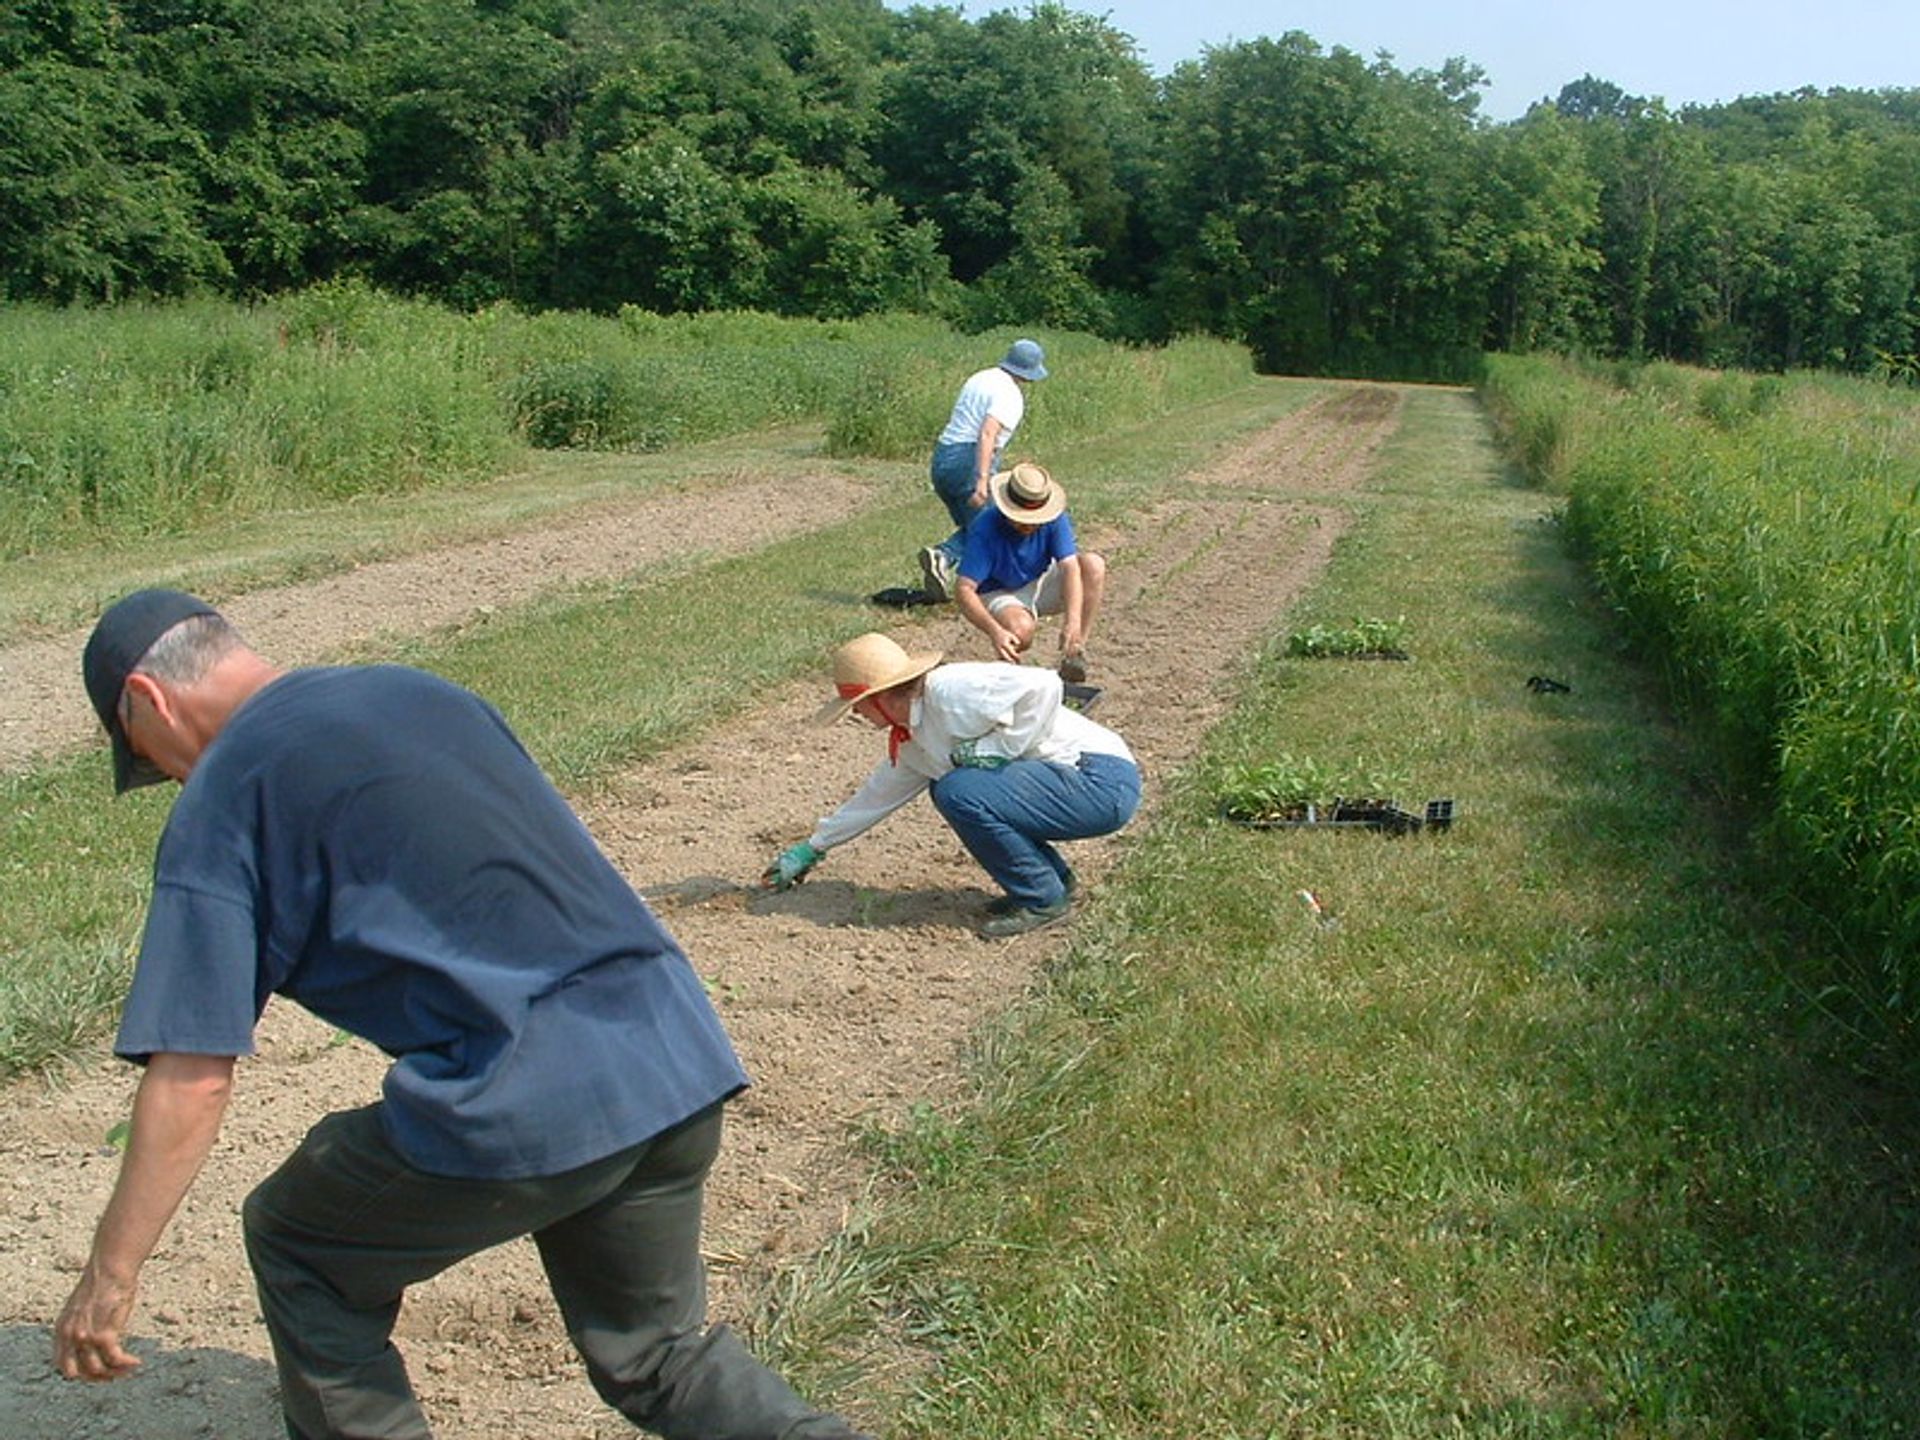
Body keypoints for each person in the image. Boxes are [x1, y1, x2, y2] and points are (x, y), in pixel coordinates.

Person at [56, 588, 873, 1440]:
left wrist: (110, 1274)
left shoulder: (224, 797)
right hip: (673, 1048)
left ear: (148, 701)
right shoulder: (420, 692)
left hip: (526, 1093)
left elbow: (191, 1076)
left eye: (148, 757)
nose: (171, 778)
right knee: (659, 1355)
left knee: (300, 1242)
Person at [761, 632, 1140, 939]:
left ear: (878, 698)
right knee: (960, 789)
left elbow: (1044, 685)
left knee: (958, 791)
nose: (856, 715)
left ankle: (1043, 899)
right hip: (1075, 785)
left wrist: (1000, 747)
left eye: (857, 706)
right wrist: (814, 847)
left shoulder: (949, 690)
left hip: (1100, 780)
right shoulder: (915, 739)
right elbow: (877, 797)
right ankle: (1052, 883)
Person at [917, 337, 1048, 600]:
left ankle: (954, 566)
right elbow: (987, 434)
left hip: (943, 458)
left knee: (978, 525)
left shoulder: (981, 377)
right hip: (970, 460)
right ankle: (947, 557)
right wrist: (982, 480)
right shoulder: (1011, 395)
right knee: (996, 524)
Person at [952, 461, 1105, 683]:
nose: (1030, 526)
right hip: (999, 590)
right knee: (1020, 630)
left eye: (1035, 520)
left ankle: (1075, 653)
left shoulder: (1054, 518)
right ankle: (1008, 675)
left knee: (1093, 566)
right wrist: (995, 631)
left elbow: (1070, 567)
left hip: (1038, 578)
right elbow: (964, 589)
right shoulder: (985, 528)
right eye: (1022, 520)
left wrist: (1073, 622)